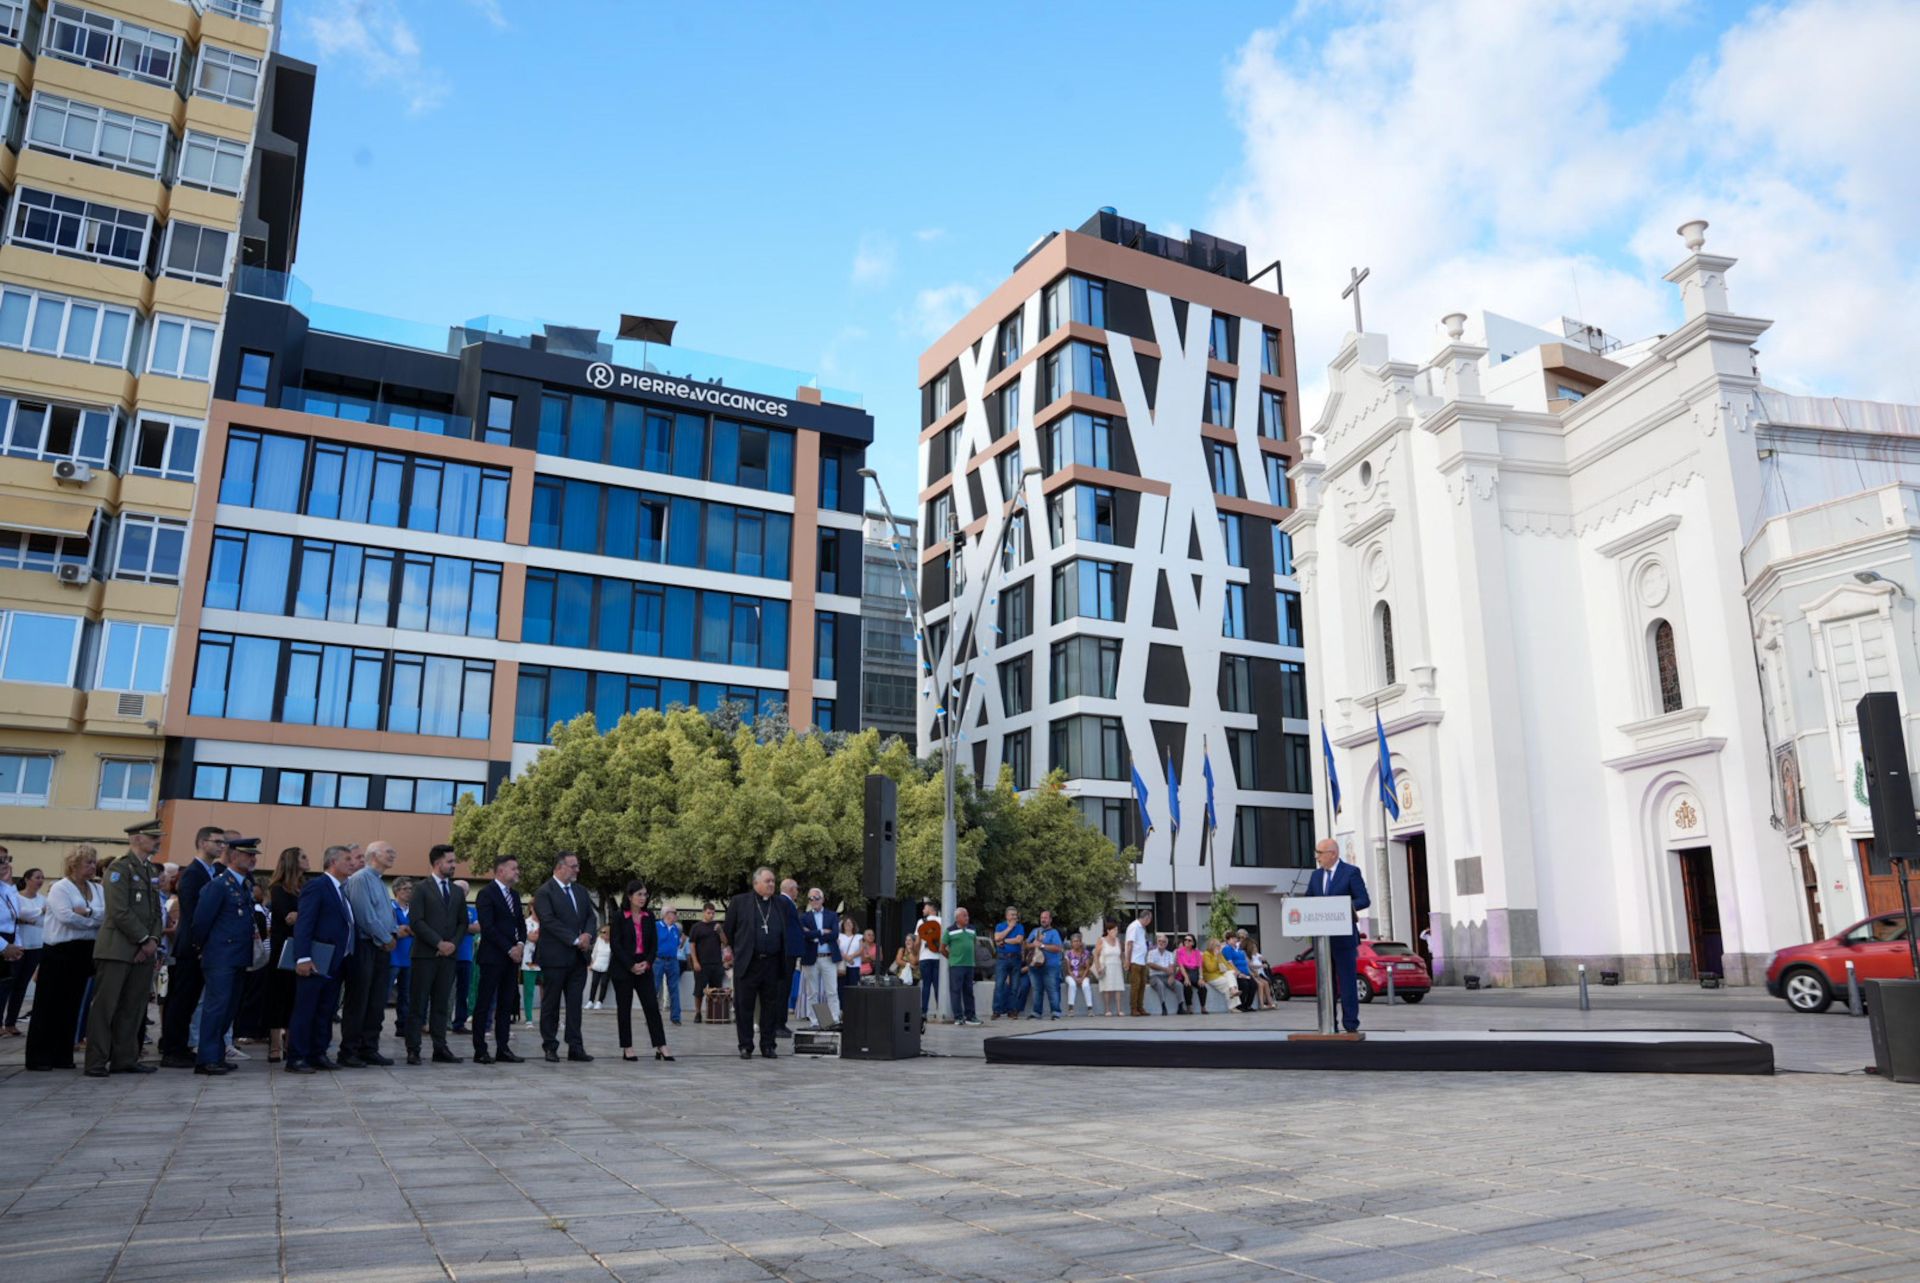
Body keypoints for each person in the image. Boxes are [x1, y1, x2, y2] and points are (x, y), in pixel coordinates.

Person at [82, 823, 163, 1076]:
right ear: (137, 838)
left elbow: (155, 912)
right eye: (153, 837)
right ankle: (96, 1061)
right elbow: (119, 911)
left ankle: (124, 1058)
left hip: (142, 949)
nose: (157, 842)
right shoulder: (119, 868)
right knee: (106, 1008)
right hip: (117, 948)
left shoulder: (148, 869)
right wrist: (144, 940)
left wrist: (153, 941)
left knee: (134, 1006)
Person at [285, 844, 364, 1074]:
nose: (352, 863)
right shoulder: (317, 886)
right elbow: (305, 923)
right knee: (306, 1008)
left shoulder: (342, 890)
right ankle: (297, 1057)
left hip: (336, 962)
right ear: (333, 862)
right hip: (316, 959)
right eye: (347, 859)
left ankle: (317, 1053)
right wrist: (303, 957)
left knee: (326, 1010)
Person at [25, 846, 102, 1071]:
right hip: (60, 950)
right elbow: (66, 917)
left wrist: (87, 913)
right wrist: (92, 917)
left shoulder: (96, 888)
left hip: (85, 949)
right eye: (88, 862)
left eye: (93, 862)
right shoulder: (60, 887)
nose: (92, 866)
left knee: (72, 1003)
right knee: (49, 1003)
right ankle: (39, 1056)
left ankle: (62, 1054)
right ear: (74, 864)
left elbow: (104, 914)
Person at [188, 834, 258, 1075]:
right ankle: (206, 1058)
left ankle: (217, 1053)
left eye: (254, 856)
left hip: (238, 956)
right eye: (249, 855)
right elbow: (200, 923)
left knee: (228, 1009)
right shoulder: (219, 885)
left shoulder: (244, 885)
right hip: (220, 956)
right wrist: (202, 949)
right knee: (216, 1007)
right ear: (234, 855)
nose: (253, 860)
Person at [159, 826, 226, 1068]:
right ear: (202, 842)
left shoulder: (213, 872)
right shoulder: (192, 874)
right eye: (217, 841)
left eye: (223, 842)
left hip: (203, 946)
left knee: (190, 1001)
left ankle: (180, 1046)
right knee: (181, 999)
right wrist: (201, 943)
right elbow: (194, 912)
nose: (221, 846)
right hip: (191, 946)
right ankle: (172, 1049)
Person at [340, 841, 402, 1068]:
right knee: (359, 1000)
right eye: (389, 851)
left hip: (381, 949)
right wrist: (386, 938)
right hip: (366, 947)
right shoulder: (361, 879)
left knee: (376, 1001)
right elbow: (365, 916)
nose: (393, 855)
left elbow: (385, 915)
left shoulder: (377, 880)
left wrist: (392, 934)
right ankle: (349, 1051)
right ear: (373, 855)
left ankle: (369, 1047)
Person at [724, 866, 796, 1058]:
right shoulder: (740, 902)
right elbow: (729, 930)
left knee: (770, 1007)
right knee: (744, 1006)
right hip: (749, 963)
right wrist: (738, 951)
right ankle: (746, 1045)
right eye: (767, 881)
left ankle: (768, 1045)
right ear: (756, 883)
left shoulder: (780, 904)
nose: (771, 884)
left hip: (772, 963)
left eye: (773, 881)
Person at [534, 851, 597, 1063]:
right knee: (551, 1004)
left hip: (577, 959)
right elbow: (549, 922)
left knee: (574, 1004)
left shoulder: (580, 891)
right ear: (560, 867)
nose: (577, 870)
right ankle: (550, 1046)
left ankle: (575, 1047)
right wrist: (575, 940)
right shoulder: (545, 892)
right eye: (573, 866)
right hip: (554, 958)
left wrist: (588, 935)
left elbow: (590, 915)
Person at [405, 845, 466, 1066]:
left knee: (441, 1004)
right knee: (418, 1004)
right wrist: (438, 942)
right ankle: (413, 1049)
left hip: (448, 956)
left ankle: (440, 1048)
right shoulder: (421, 888)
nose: (453, 865)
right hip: (425, 955)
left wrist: (452, 945)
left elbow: (462, 922)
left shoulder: (457, 891)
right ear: (438, 863)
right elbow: (416, 921)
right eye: (450, 861)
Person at [1309, 839, 1372, 1033]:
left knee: (1346, 983)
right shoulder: (1316, 875)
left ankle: (1351, 1024)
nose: (1317, 856)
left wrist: (1344, 905)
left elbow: (1363, 899)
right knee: (1326, 985)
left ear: (1333, 854)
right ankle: (1329, 1024)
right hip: (1322, 941)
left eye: (1320, 852)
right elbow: (1309, 899)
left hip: (1343, 939)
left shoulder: (1350, 872)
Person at [471, 855, 527, 1064]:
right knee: (485, 1003)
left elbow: (520, 924)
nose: (517, 872)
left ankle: (503, 1048)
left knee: (506, 1003)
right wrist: (508, 948)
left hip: (512, 958)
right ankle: (480, 1049)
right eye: (514, 868)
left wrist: (520, 945)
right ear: (500, 871)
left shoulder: (514, 895)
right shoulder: (486, 894)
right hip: (493, 957)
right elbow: (488, 926)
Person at [609, 881, 673, 1062]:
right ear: (629, 896)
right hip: (623, 967)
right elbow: (616, 944)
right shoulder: (620, 916)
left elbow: (653, 944)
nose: (643, 898)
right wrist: (630, 965)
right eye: (639, 894)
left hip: (645, 965)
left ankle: (661, 1045)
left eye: (645, 895)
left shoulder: (649, 916)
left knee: (652, 1006)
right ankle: (627, 1047)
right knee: (624, 1008)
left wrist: (647, 962)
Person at [265, 848, 306, 1064]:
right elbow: (286, 918)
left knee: (294, 997)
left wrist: (301, 915)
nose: (307, 860)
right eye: (303, 857)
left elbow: (299, 916)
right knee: (278, 997)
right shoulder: (278, 889)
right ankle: (274, 1044)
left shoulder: (304, 887)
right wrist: (301, 915)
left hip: (300, 948)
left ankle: (290, 1043)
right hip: (282, 949)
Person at [2, 857, 44, 1036]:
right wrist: (39, 913)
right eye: (37, 877)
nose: (40, 880)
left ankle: (11, 1022)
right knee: (7, 984)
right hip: (15, 943)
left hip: (33, 945)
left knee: (21, 985)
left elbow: (25, 917)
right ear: (27, 879)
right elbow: (19, 915)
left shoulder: (43, 899)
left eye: (42, 877)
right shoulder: (16, 896)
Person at [797, 887, 842, 1028]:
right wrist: (822, 932)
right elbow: (804, 935)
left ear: (822, 899)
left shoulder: (832, 915)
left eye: (816, 898)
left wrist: (815, 935)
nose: (814, 901)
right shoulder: (804, 917)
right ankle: (815, 1021)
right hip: (811, 958)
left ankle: (834, 1020)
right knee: (812, 993)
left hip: (828, 958)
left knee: (832, 991)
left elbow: (834, 934)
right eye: (811, 898)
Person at [777, 878, 805, 1037]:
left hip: (790, 951)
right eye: (796, 889)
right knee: (782, 989)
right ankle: (778, 1024)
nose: (797, 892)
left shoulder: (787, 903)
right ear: (790, 889)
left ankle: (782, 1023)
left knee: (785, 988)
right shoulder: (783, 902)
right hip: (786, 951)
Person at [686, 903, 724, 1022]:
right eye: (709, 913)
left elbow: (726, 942)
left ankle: (714, 1013)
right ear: (704, 912)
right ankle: (698, 1013)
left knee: (716, 990)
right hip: (702, 964)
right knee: (699, 990)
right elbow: (692, 946)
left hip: (716, 963)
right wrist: (695, 962)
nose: (711, 915)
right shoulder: (696, 927)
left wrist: (720, 931)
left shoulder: (717, 926)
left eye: (713, 913)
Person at [943, 907, 980, 1025]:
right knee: (956, 991)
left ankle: (970, 1016)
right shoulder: (950, 930)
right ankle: (958, 1017)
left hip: (969, 965)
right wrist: (952, 958)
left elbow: (973, 943)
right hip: (956, 965)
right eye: (964, 916)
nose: (967, 918)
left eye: (967, 915)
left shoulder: (972, 929)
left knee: (969, 991)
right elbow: (942, 948)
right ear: (957, 918)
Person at [388, 878, 414, 1043]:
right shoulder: (390, 907)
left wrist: (407, 929)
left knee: (406, 995)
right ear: (396, 890)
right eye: (405, 889)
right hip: (393, 956)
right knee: (384, 991)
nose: (408, 892)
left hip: (409, 957)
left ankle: (402, 1026)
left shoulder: (414, 910)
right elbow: (392, 928)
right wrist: (398, 930)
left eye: (410, 889)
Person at [990, 906, 1025, 1020]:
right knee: (999, 985)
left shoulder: (1020, 927)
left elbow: (1018, 940)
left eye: (1016, 915)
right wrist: (1009, 928)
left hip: (1016, 959)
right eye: (1012, 915)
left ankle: (1012, 1010)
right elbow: (996, 937)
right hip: (1002, 959)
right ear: (1007, 916)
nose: (1015, 917)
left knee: (1015, 986)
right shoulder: (1000, 926)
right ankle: (997, 1010)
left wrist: (1004, 940)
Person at [1027, 910, 1064, 1020]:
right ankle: (1036, 1013)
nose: (1043, 919)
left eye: (1046, 918)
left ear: (1050, 920)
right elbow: (1026, 944)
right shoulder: (1035, 931)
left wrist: (1042, 945)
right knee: (1037, 990)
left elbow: (1058, 948)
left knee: (1052, 989)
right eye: (1042, 917)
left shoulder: (1054, 933)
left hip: (1051, 966)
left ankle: (1056, 1013)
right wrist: (1032, 944)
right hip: (1035, 965)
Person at [452, 879, 477, 1034]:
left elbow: (478, 927)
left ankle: (459, 1022)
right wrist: (467, 927)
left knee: (463, 991)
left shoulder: (472, 910)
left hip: (466, 956)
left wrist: (460, 927)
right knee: (444, 991)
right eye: (458, 889)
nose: (461, 892)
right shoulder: (446, 909)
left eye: (464, 890)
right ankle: (441, 1022)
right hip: (448, 955)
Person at [656, 905, 684, 1025]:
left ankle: (676, 1017)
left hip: (672, 960)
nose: (676, 915)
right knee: (654, 988)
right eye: (674, 912)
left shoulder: (676, 929)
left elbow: (678, 944)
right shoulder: (656, 926)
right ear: (667, 914)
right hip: (658, 960)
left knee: (674, 989)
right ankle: (652, 1016)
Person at [915, 901, 943, 1020]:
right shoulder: (942, 921)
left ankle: (924, 1012)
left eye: (924, 908)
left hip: (925, 957)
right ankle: (940, 1010)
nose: (922, 910)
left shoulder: (921, 922)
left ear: (932, 909)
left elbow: (917, 942)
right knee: (938, 985)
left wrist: (916, 953)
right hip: (938, 958)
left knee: (926, 985)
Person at [1124, 908, 1153, 1017]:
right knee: (1135, 986)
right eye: (1150, 919)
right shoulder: (1134, 926)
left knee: (1142, 985)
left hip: (1142, 961)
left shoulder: (1142, 928)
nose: (1150, 921)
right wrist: (1128, 960)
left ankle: (1140, 1007)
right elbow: (1129, 944)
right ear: (1146, 918)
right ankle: (1134, 1008)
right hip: (1135, 961)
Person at [1092, 921, 1124, 1016]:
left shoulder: (1118, 941)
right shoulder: (1101, 940)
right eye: (1114, 930)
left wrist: (1124, 963)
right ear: (1108, 931)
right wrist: (1098, 967)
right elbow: (1096, 955)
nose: (1116, 932)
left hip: (1117, 966)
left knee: (1118, 987)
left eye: (1117, 930)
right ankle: (1107, 1009)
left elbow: (1121, 954)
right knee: (1107, 988)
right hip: (1106, 966)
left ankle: (1119, 1010)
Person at [1219, 935, 1258, 1012]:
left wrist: (1250, 972)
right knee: (1244, 985)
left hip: (1246, 972)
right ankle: (1241, 1005)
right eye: (1232, 938)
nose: (1234, 940)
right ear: (1228, 940)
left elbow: (1246, 963)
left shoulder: (1238, 949)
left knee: (1254, 985)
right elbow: (1230, 963)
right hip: (1237, 973)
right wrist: (1238, 973)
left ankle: (1248, 1005)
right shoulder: (1227, 948)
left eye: (1235, 938)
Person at [1145, 933, 1182, 1016]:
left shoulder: (1169, 954)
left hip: (1166, 976)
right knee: (1160, 985)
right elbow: (1151, 964)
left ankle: (1180, 1007)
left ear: (1166, 944)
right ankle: (1163, 1007)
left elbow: (1172, 966)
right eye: (1159, 941)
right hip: (1154, 977)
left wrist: (1172, 976)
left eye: (1164, 942)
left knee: (1179, 985)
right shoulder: (1151, 952)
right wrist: (1164, 969)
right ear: (1157, 942)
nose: (1161, 943)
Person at [1201, 937, 1241, 1010]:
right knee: (1227, 983)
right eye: (1217, 946)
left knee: (1231, 974)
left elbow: (1226, 964)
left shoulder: (1219, 954)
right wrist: (1216, 957)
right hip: (1211, 976)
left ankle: (1233, 990)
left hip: (1220, 974)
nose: (1219, 947)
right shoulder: (1206, 954)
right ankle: (1233, 1006)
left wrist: (1234, 971)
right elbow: (1210, 969)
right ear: (1212, 946)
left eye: (1219, 945)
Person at [837, 913, 864, 1008]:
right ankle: (841, 1008)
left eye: (850, 923)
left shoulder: (859, 936)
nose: (848, 925)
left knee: (853, 987)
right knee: (841, 987)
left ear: (853, 925)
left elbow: (861, 949)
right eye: (846, 923)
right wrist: (846, 957)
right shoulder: (839, 936)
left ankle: (852, 1008)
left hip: (855, 965)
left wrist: (852, 956)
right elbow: (837, 948)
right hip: (842, 966)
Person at [1175, 934, 1206, 1013]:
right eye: (1185, 940)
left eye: (1189, 940)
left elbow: (1199, 966)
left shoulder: (1197, 952)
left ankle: (1203, 1007)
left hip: (1195, 973)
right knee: (1187, 986)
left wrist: (1201, 978)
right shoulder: (1179, 951)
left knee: (1203, 987)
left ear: (1193, 943)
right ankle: (1189, 1006)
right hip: (1184, 972)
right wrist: (1186, 978)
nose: (1187, 941)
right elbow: (1181, 966)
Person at [1063, 932, 1092, 1014]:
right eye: (1074, 941)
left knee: (1086, 985)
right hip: (1071, 975)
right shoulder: (1068, 953)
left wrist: (1082, 978)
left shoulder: (1085, 953)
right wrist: (1075, 979)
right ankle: (1070, 1008)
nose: (1076, 943)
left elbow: (1087, 967)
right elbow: (1068, 969)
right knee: (1072, 984)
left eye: (1078, 941)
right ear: (1071, 943)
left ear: (1080, 942)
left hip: (1083, 975)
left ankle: (1090, 1008)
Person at [588, 927, 612, 1010]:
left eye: (605, 933)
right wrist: (592, 963)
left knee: (604, 984)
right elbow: (594, 952)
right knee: (594, 983)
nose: (603, 935)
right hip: (597, 964)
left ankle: (600, 1002)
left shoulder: (613, 942)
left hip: (607, 966)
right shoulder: (599, 940)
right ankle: (590, 1001)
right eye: (602, 933)